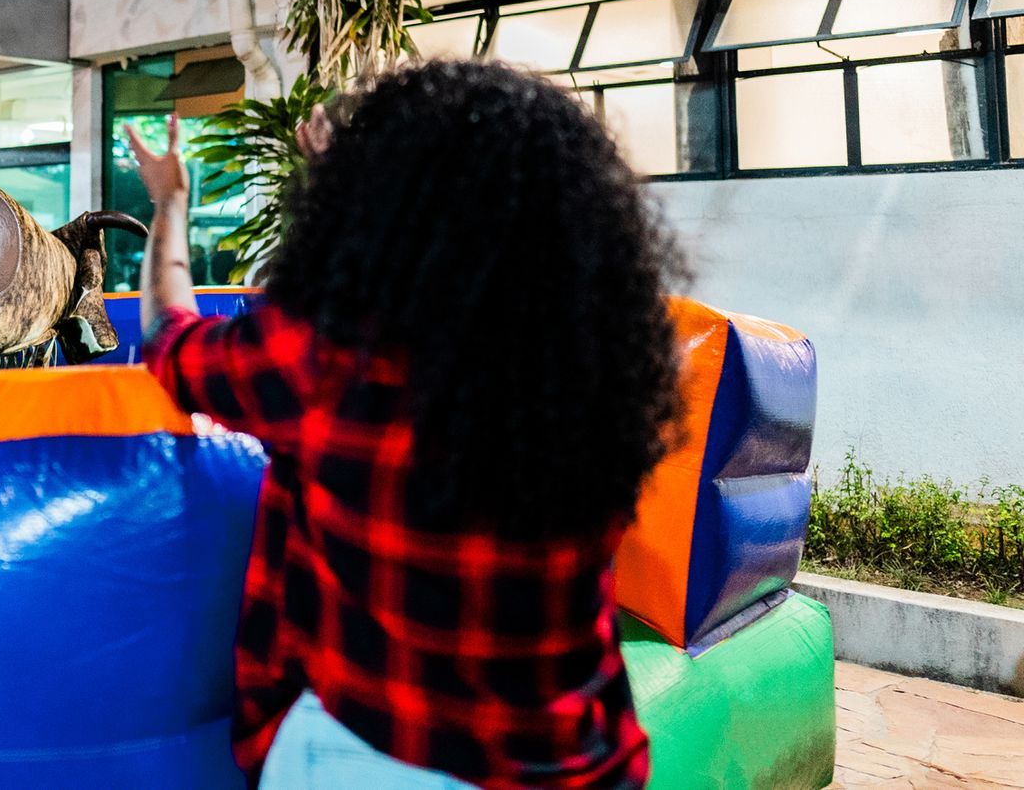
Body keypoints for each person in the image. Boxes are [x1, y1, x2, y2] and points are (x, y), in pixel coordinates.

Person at [125, 61, 683, 790]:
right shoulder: (604, 369)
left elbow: (170, 336)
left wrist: (170, 202)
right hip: (577, 764)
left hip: (373, 756)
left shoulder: (331, 361)